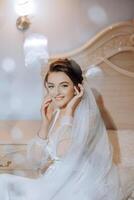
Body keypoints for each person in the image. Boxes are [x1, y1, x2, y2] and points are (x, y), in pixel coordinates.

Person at [0, 58, 123, 200]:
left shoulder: (88, 116)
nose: (56, 92)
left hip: (75, 185)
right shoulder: (55, 113)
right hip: (53, 180)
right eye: (51, 86)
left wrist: (70, 111)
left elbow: (63, 152)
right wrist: (45, 123)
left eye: (64, 85)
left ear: (77, 88)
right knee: (3, 182)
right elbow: (35, 161)